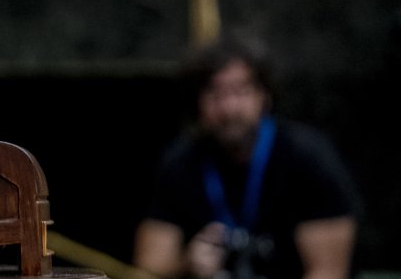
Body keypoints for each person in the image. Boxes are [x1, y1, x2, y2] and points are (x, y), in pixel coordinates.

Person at [133, 34, 360, 279]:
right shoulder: (181, 161)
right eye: (215, 93)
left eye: (240, 91)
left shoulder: (306, 157)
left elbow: (328, 272)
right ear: (197, 101)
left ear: (264, 95)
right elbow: (147, 269)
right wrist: (187, 264)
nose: (229, 108)